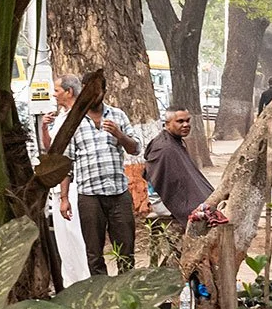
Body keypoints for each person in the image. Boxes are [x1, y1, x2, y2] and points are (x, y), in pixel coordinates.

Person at [53, 75, 140, 276]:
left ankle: (127, 295)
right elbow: (66, 163)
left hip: (118, 193)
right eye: (88, 91)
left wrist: (119, 135)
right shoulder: (72, 121)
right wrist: (64, 199)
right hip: (89, 197)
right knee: (94, 252)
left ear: (104, 92)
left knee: (126, 251)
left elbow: (135, 149)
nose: (93, 95)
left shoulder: (117, 116)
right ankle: (100, 299)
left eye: (97, 90)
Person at [144, 109, 213, 230]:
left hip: (169, 196)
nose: (186, 125)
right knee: (207, 209)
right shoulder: (165, 148)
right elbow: (171, 185)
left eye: (187, 121)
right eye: (180, 121)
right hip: (163, 202)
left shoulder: (175, 142)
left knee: (212, 200)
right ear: (167, 123)